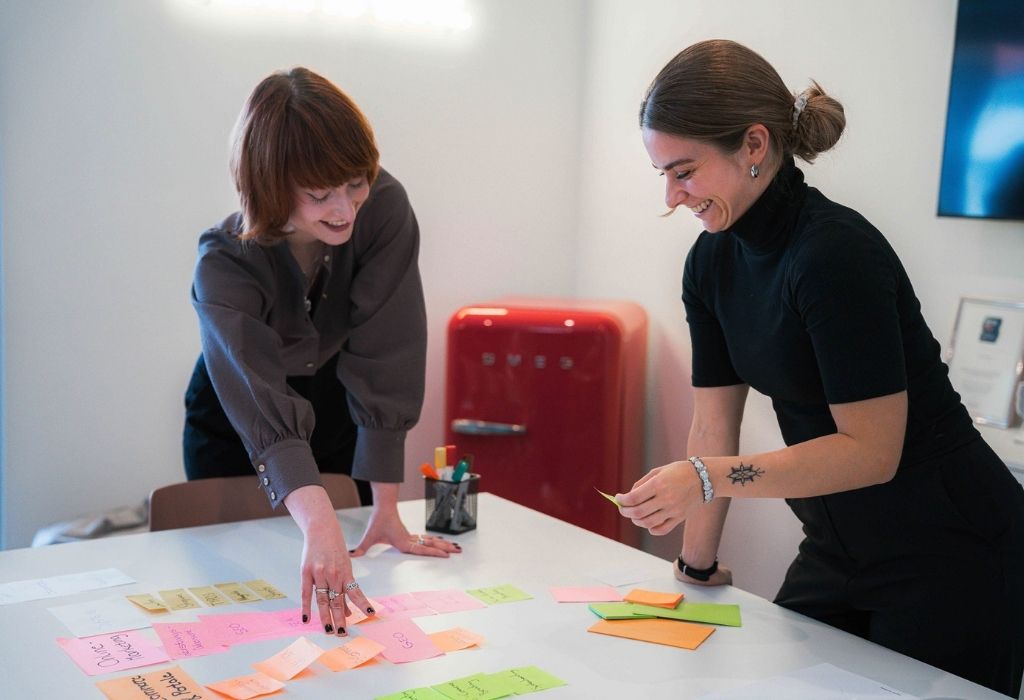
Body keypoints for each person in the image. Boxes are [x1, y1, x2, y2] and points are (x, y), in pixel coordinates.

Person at [617, 39, 1024, 697]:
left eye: (684, 170)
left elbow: (872, 453)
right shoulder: (710, 263)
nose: (671, 195)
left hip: (952, 548)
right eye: (662, 173)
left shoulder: (833, 255)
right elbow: (712, 425)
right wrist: (694, 569)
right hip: (838, 548)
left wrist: (705, 479)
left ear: (753, 146)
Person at [184, 67, 460, 637]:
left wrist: (389, 508)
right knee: (242, 588)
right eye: (320, 195)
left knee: (355, 574)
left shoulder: (384, 206)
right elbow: (256, 393)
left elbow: (390, 346)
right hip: (241, 413)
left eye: (356, 182)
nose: (345, 209)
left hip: (337, 399)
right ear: (270, 186)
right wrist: (318, 523)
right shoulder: (223, 260)